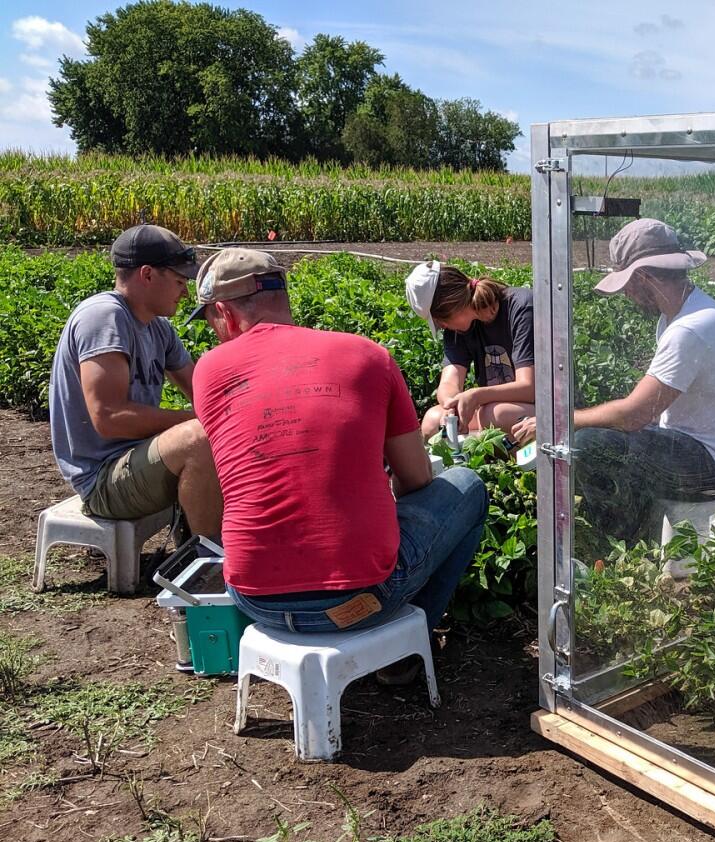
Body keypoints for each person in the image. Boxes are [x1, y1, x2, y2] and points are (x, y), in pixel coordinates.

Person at [190, 249, 486, 682]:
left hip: (254, 599)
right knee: (469, 487)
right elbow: (418, 478)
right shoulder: (366, 355)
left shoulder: (208, 372)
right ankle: (401, 647)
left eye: (212, 323)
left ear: (224, 314)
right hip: (364, 601)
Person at [514, 218, 715, 543]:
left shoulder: (689, 329)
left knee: (587, 446)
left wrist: (556, 422)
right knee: (599, 436)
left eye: (627, 283)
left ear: (643, 277)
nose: (626, 292)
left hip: (709, 461)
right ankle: (632, 539)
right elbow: (647, 412)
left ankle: (612, 546)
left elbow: (634, 415)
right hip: (692, 447)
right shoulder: (684, 316)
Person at [48, 224, 222, 537]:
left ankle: (216, 548)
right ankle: (208, 564)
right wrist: (196, 422)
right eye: (180, 281)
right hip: (103, 478)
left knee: (225, 433)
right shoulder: (103, 317)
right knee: (201, 439)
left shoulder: (158, 328)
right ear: (147, 275)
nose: (185, 292)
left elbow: (203, 393)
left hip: (135, 462)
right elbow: (109, 418)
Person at [405, 262, 536, 440]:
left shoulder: (520, 306)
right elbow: (449, 382)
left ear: (451, 305)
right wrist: (451, 405)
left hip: (544, 409)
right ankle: (483, 454)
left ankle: (511, 463)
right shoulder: (457, 330)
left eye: (439, 320)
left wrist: (476, 395)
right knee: (433, 421)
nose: (442, 326)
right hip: (497, 410)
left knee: (493, 415)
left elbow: (530, 388)